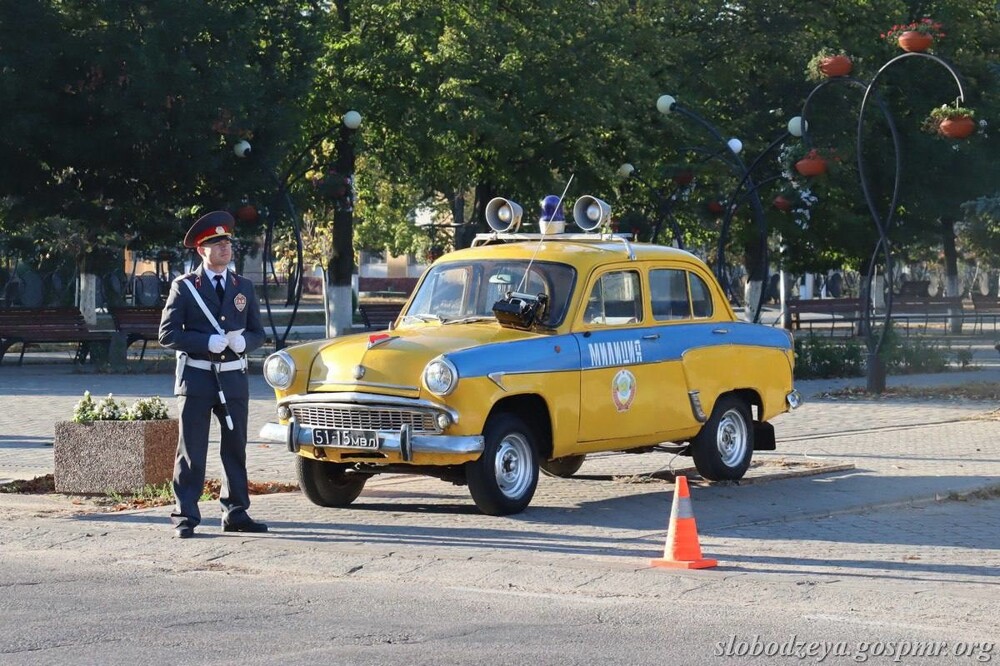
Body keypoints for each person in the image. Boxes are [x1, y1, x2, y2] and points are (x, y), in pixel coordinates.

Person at [158, 211, 267, 538]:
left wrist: (244, 341)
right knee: (191, 450)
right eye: (216, 243)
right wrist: (204, 340)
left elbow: (259, 333)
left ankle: (235, 511)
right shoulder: (186, 287)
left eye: (227, 242)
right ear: (201, 250)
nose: (225, 248)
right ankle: (185, 516)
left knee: (235, 447)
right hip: (198, 377)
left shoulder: (243, 286)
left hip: (233, 377)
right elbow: (167, 334)